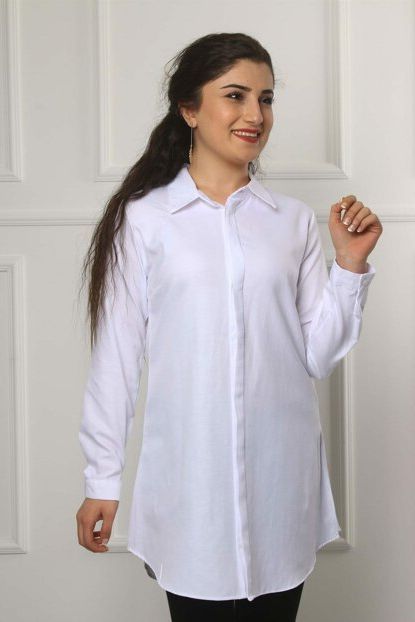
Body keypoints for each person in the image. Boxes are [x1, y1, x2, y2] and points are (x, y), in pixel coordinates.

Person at [75, 32, 383, 621]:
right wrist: (102, 480)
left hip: (280, 486)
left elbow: (315, 356)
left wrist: (348, 265)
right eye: (235, 96)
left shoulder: (292, 222)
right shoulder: (145, 221)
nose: (255, 115)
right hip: (190, 490)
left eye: (265, 99)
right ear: (189, 109)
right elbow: (115, 360)